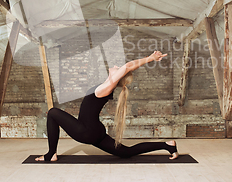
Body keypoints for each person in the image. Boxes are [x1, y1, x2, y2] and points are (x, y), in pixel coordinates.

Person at [36, 50, 178, 162]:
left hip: (86, 132)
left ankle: (51, 154)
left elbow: (128, 66)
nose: (117, 67)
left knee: (53, 112)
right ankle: (167, 145)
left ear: (118, 77)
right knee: (126, 152)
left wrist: (150, 58)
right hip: (95, 131)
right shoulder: (105, 85)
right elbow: (127, 68)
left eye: (119, 69)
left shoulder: (109, 86)